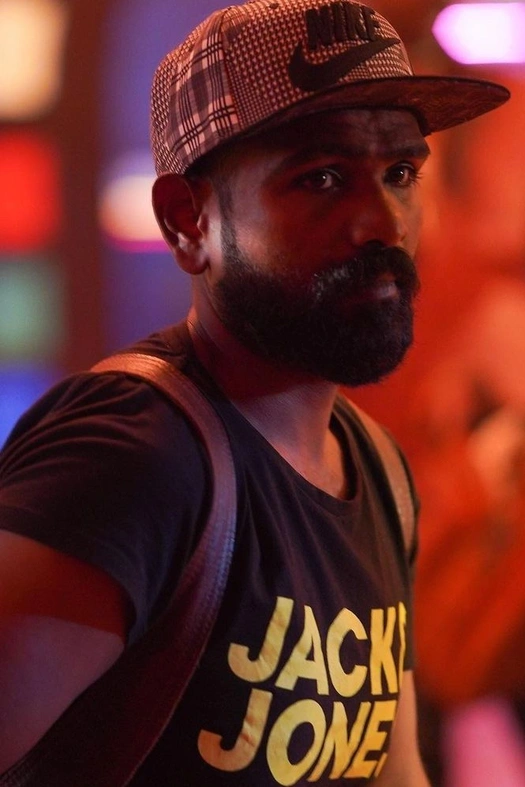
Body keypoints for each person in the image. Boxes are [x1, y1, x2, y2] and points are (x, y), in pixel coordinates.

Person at [0, 0, 510, 783]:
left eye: (400, 173)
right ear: (187, 220)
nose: (382, 221)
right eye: (322, 178)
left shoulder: (374, 467)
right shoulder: (132, 456)